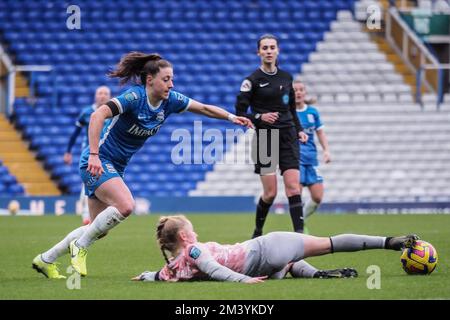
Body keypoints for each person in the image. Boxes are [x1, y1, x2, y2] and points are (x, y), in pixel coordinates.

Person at [32, 52, 254, 279]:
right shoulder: (134, 98)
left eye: (172, 79)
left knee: (97, 230)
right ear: (150, 79)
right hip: (98, 161)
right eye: (166, 79)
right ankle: (80, 246)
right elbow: (98, 115)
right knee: (126, 205)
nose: (171, 84)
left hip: (116, 166)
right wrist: (95, 156)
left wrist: (231, 117)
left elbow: (204, 108)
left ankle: (46, 259)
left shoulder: (170, 101)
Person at [132, 215, 418, 283]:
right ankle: (388, 242)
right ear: (184, 235)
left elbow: (157, 275)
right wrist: (245, 281)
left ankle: (318, 274)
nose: (195, 233)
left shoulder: (174, 267)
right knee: (329, 243)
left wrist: (145, 277)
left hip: (267, 263)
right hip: (266, 248)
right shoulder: (193, 251)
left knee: (291, 264)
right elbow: (214, 268)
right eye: (191, 230)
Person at [235, 34, 308, 238]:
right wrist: (260, 116)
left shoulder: (287, 77)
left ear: (278, 51)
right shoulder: (251, 81)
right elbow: (239, 112)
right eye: (264, 48)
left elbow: (292, 109)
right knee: (271, 193)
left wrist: (299, 129)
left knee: (294, 188)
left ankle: (300, 236)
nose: (268, 51)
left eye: (272, 47)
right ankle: (258, 231)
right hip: (266, 139)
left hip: (288, 136)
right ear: (258, 52)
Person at [63, 86, 111, 225]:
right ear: (95, 96)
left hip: (107, 153)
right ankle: (86, 216)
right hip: (90, 153)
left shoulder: (113, 112)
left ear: (109, 96)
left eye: (105, 93)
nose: (102, 96)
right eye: (100, 93)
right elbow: (75, 133)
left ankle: (98, 214)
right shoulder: (87, 112)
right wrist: (68, 151)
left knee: (103, 183)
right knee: (88, 183)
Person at [293, 80, 330, 225]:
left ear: (305, 92)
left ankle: (301, 220)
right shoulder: (289, 113)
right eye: (295, 90)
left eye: (301, 89)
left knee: (318, 197)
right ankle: (298, 228)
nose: (298, 92)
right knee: (297, 195)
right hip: (295, 159)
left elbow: (320, 133)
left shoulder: (312, 112)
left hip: (311, 159)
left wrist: (326, 151)